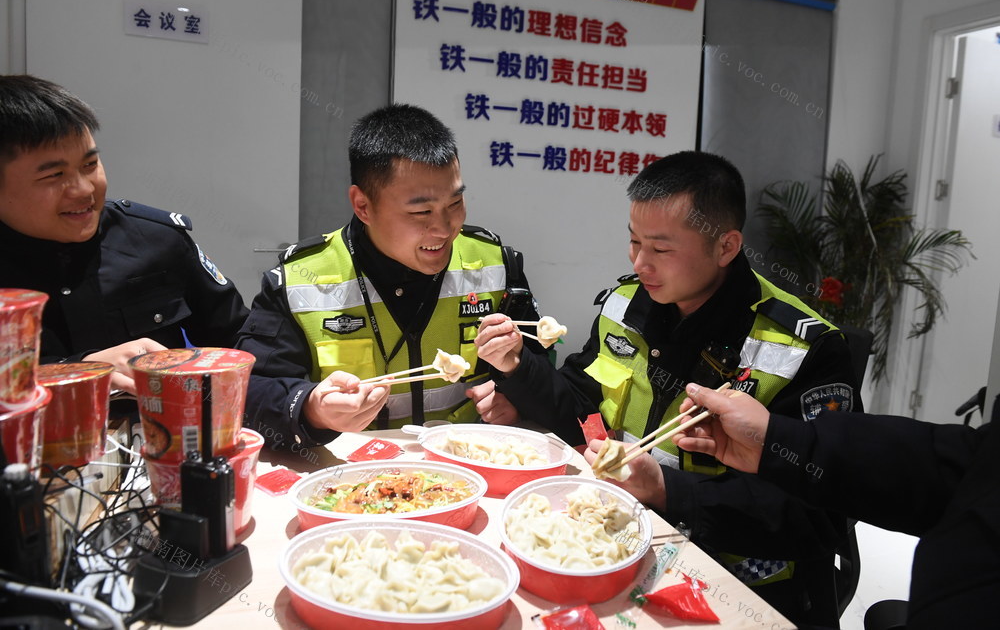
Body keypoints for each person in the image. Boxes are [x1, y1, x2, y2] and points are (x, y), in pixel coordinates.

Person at [475, 151, 863, 627]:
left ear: (726, 247)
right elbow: (582, 408)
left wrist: (664, 488)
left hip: (742, 582)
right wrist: (518, 369)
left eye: (660, 250)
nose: (641, 264)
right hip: (627, 549)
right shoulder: (627, 303)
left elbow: (820, 515)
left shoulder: (805, 349)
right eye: (634, 243)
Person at [235, 103, 540, 448]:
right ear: (363, 206)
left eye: (454, 204)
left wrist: (514, 394)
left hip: (466, 468)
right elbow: (247, 392)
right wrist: (310, 407)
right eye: (421, 211)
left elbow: (540, 372)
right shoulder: (299, 279)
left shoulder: (496, 265)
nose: (444, 229)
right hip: (351, 480)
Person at [663, 382, 997, 629]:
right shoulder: (620, 305)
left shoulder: (811, 343)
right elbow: (971, 465)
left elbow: (810, 520)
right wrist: (781, 443)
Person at [0, 75, 248, 394]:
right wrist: (77, 372)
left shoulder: (157, 238)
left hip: (159, 435)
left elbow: (240, 340)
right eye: (54, 175)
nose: (84, 189)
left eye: (90, 165)